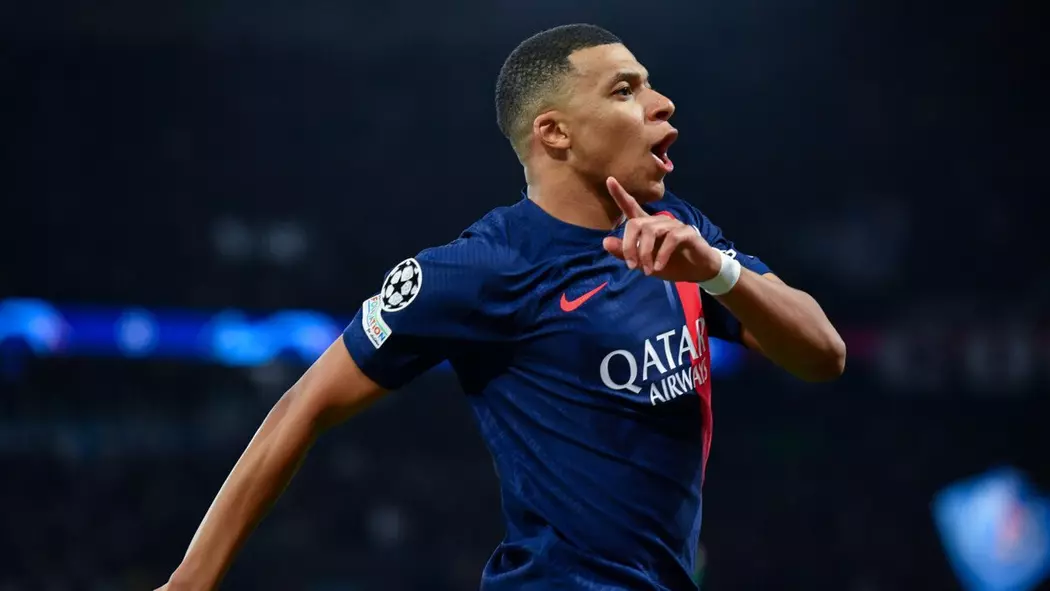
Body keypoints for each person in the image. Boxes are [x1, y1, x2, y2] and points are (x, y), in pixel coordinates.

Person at [158, 23, 845, 591]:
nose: (662, 104)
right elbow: (303, 404)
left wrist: (719, 271)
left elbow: (824, 355)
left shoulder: (679, 234)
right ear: (555, 133)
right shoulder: (483, 267)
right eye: (625, 89)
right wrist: (190, 581)